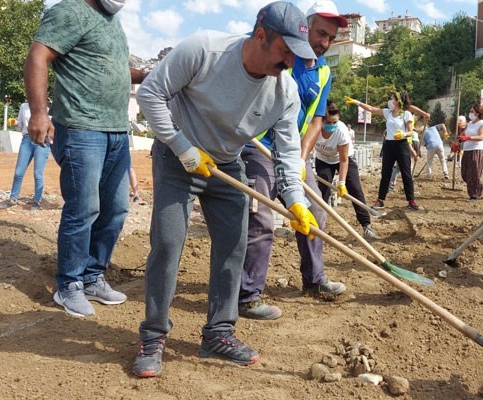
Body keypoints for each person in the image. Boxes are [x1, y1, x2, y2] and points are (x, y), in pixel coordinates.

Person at [133, 1, 319, 377]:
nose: (289, 64)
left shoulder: (284, 93)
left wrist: (297, 202)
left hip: (227, 164)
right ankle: (153, 335)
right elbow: (151, 92)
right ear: (261, 35)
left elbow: (286, 156)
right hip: (176, 155)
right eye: (285, 52)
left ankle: (218, 333)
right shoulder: (205, 50)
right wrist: (183, 147)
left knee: (235, 245)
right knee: (168, 244)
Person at [25, 0, 148, 317]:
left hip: (116, 131)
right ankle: (69, 285)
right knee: (83, 208)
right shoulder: (70, 11)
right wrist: (39, 113)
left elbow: (113, 69)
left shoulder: (111, 21)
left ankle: (93, 276)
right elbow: (39, 56)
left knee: (116, 208)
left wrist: (150, 76)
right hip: (81, 129)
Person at [238, 0, 348, 321]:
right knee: (260, 220)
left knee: (315, 214)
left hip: (291, 152)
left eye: (331, 38)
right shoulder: (280, 52)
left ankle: (314, 281)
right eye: (321, 33)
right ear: (304, 26)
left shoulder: (323, 70)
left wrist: (300, 159)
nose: (324, 43)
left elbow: (315, 120)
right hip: (257, 146)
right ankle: (247, 295)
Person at [346, 91, 429, 210]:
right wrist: (357, 102)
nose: (390, 100)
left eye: (392, 98)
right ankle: (380, 200)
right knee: (385, 173)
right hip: (389, 145)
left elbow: (411, 131)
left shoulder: (406, 114)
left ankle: (411, 201)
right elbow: (371, 109)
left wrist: (404, 134)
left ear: (398, 101)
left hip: (402, 145)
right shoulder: (387, 112)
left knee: (406, 174)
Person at [315, 100, 379, 239]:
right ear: (321, 119)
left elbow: (344, 160)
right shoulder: (314, 126)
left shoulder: (341, 130)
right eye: (328, 123)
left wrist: (342, 183)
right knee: (321, 192)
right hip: (323, 160)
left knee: (355, 189)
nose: (332, 126)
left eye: (334, 122)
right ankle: (318, 226)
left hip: (343, 159)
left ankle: (366, 225)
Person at [6, 102, 50, 208]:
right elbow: (20, 124)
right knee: (18, 172)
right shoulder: (23, 106)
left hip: (42, 141)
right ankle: (13, 198)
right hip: (27, 140)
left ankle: (37, 200)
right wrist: (15, 122)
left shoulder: (47, 108)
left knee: (38, 173)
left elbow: (51, 126)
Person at [460, 104, 483, 201]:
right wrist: (458, 141)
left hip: (476, 150)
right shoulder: (470, 123)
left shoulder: (482, 123)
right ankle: (481, 185)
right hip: (467, 150)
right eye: (470, 111)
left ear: (478, 113)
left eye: (472, 112)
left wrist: (468, 138)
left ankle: (474, 195)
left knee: (474, 174)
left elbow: (481, 137)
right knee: (464, 174)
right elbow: (463, 134)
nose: (470, 113)